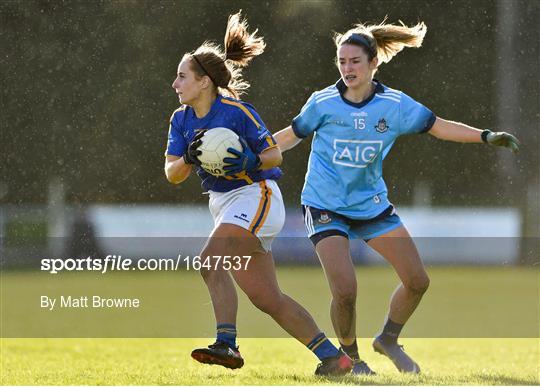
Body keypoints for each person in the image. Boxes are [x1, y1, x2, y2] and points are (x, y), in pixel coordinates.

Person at [274, 20, 519, 374]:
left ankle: (387, 339)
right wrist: (255, 151)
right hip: (324, 204)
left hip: (370, 205)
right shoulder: (323, 102)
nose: (347, 68)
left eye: (355, 61)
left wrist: (485, 136)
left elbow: (439, 126)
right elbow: (290, 136)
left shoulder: (394, 105)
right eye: (342, 61)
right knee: (345, 290)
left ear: (374, 63)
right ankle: (351, 359)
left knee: (417, 281)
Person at [164, 12, 354, 376]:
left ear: (204, 82)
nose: (175, 83)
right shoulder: (181, 120)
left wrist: (252, 158)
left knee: (209, 262)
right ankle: (334, 358)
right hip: (223, 204)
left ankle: (227, 344)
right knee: (267, 298)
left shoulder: (236, 112)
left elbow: (274, 154)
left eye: (182, 76)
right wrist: (187, 157)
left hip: (256, 195)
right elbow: (173, 174)